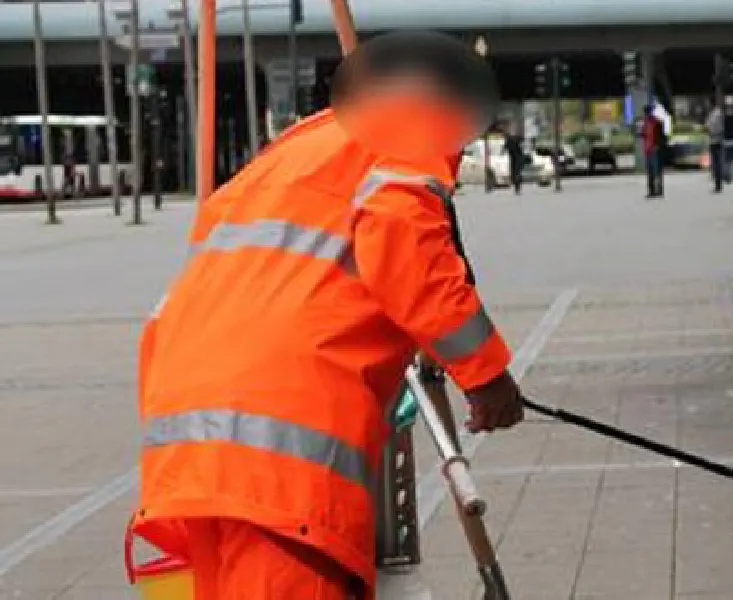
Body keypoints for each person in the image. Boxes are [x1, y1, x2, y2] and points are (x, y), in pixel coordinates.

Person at [131, 32, 525, 600]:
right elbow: (404, 246)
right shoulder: (410, 127)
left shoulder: (298, 148)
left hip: (190, 428)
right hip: (278, 438)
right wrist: (486, 376)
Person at [642, 104, 665, 198]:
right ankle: (651, 191)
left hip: (655, 149)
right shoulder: (645, 123)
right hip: (648, 150)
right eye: (646, 112)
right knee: (650, 172)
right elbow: (643, 135)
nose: (647, 114)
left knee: (657, 171)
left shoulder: (657, 122)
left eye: (648, 112)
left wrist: (658, 146)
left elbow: (661, 136)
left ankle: (659, 190)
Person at [706, 104, 725, 192]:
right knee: (717, 163)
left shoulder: (714, 114)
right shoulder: (717, 113)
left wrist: (710, 131)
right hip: (717, 140)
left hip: (714, 141)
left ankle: (718, 184)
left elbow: (709, 127)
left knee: (716, 163)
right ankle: (718, 184)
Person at [503, 125, 524, 195]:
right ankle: (517, 188)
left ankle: (517, 187)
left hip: (515, 159)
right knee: (516, 173)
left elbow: (505, 147)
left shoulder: (510, 140)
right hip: (516, 158)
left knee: (515, 173)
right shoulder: (514, 140)